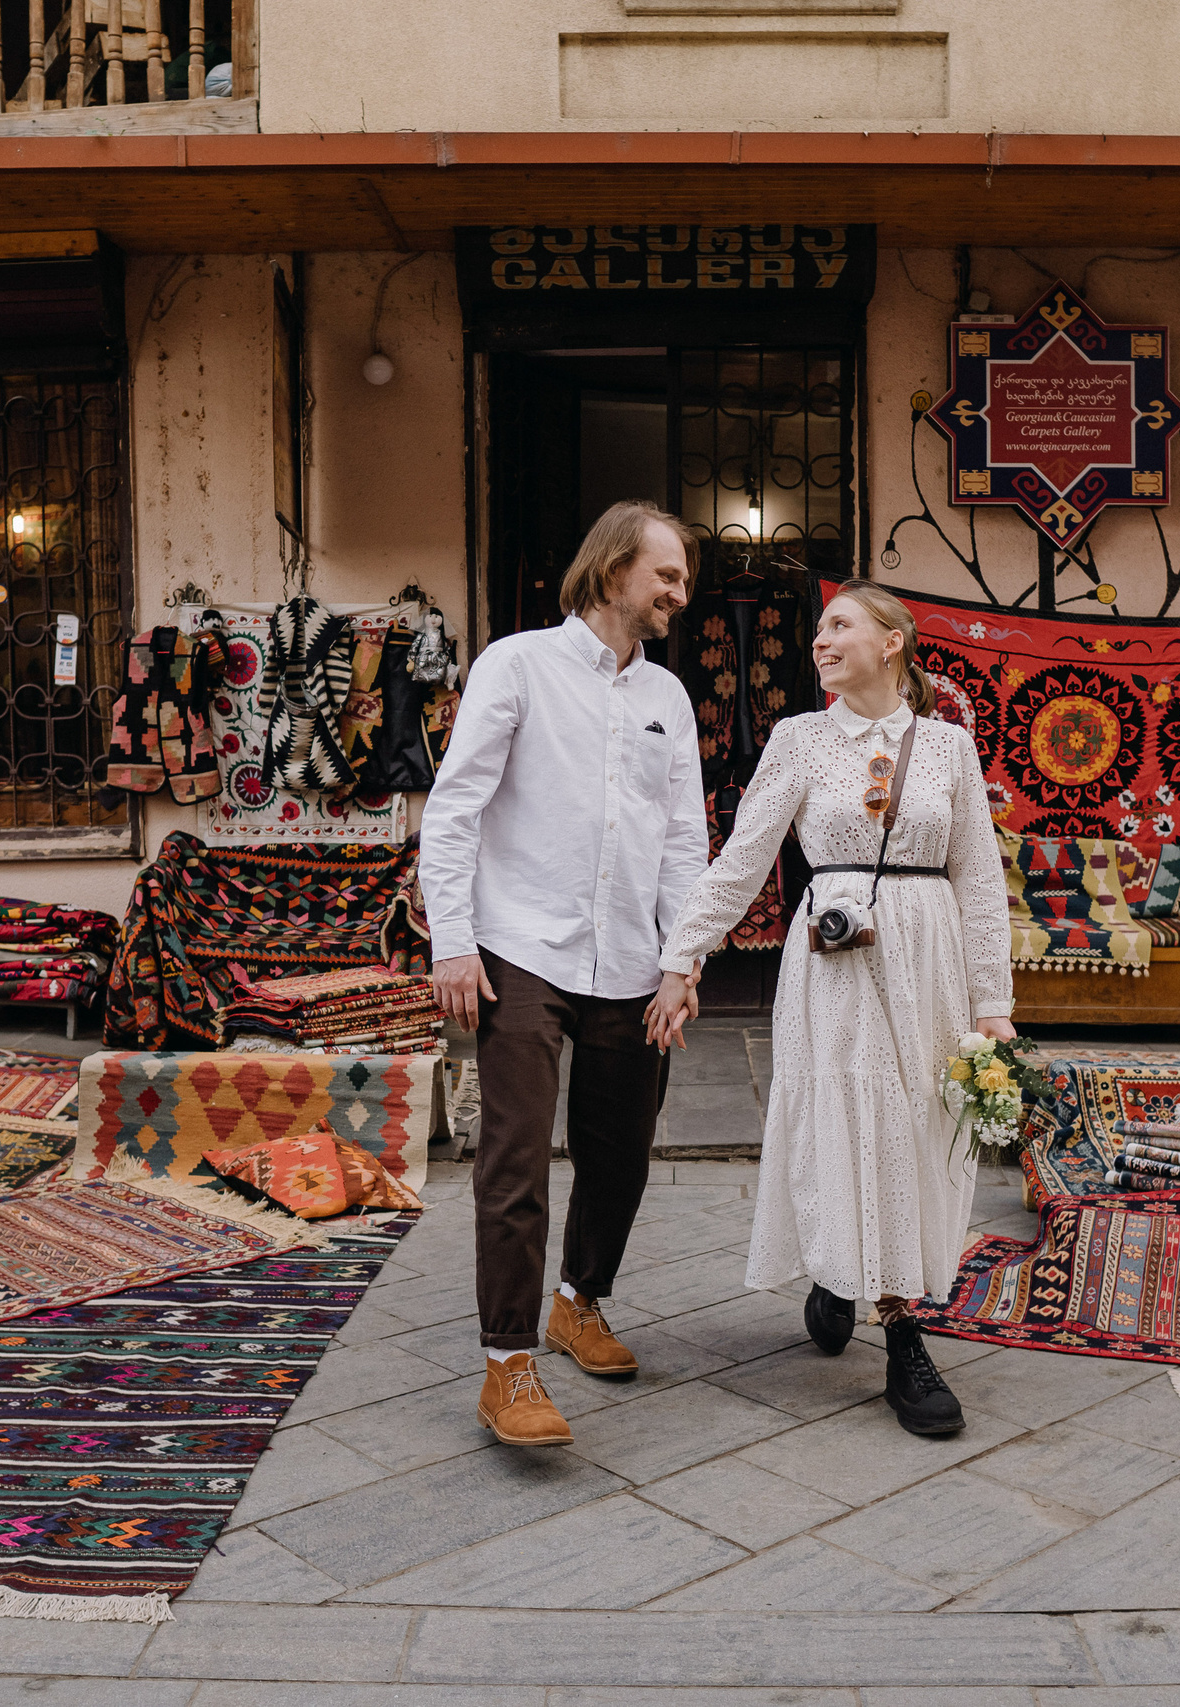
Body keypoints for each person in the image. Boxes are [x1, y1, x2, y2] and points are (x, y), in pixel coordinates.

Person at [649, 580, 1014, 1436]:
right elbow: (742, 861)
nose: (821, 640)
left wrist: (992, 1002)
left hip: (930, 962)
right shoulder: (798, 739)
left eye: (840, 625)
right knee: (855, 1117)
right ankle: (901, 1329)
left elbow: (981, 879)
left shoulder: (950, 747)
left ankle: (847, 1270)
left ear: (892, 643)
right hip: (836, 965)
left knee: (917, 1125)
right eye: (819, 628)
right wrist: (682, 956)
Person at [418, 500, 710, 1449]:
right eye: (666, 574)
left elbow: (684, 844)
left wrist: (683, 960)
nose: (678, 593)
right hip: (522, 949)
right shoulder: (519, 665)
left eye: (683, 579)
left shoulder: (668, 699)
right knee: (513, 1157)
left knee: (623, 1148)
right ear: (615, 566)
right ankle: (507, 1363)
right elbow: (455, 809)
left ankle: (580, 1302)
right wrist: (451, 940)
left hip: (633, 958)